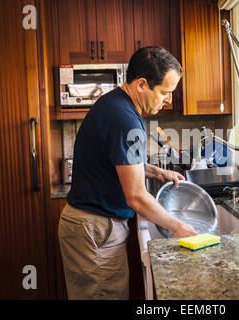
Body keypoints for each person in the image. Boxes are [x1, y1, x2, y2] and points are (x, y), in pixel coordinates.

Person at [58, 46, 197, 300]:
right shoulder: (125, 119)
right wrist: (178, 227)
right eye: (165, 92)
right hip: (95, 228)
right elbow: (136, 197)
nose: (169, 100)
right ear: (142, 84)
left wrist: (156, 172)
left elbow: (119, 164)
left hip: (93, 226)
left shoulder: (117, 106)